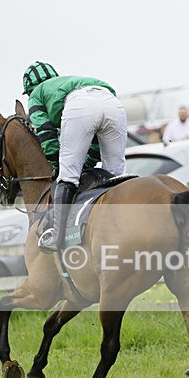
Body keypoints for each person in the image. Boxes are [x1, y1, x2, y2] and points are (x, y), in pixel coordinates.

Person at [21, 61, 128, 253]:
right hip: (111, 100)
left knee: (68, 176)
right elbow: (95, 145)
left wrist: (59, 166)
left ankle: (57, 236)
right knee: (115, 173)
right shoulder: (67, 82)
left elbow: (46, 135)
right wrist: (87, 165)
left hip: (80, 105)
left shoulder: (36, 94)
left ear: (29, 89)